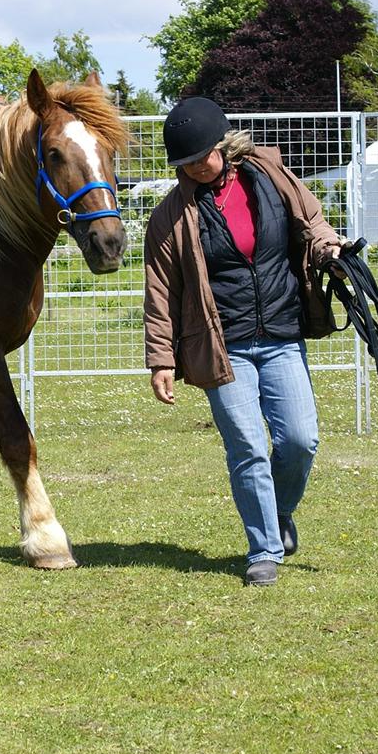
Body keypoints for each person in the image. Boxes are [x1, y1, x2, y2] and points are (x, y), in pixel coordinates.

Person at [143, 97, 347, 587]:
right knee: (249, 447)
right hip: (222, 344)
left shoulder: (269, 177)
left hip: (280, 331)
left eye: (200, 157)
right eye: (184, 163)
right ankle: (264, 549)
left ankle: (276, 513)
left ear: (223, 146)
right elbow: (160, 288)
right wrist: (161, 358)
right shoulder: (172, 215)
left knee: (300, 440)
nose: (192, 168)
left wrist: (330, 248)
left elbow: (311, 221)